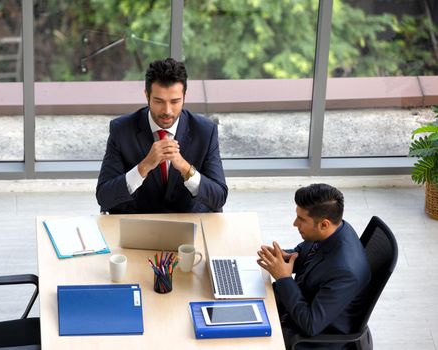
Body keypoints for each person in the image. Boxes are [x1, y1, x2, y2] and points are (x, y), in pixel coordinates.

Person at [96, 58, 228, 213]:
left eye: (175, 101)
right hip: (138, 228)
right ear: (147, 96)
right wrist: (143, 167)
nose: (167, 110)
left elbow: (219, 197)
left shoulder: (205, 131)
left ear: (184, 96)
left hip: (191, 227)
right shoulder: (121, 130)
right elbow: (104, 197)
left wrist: (186, 169)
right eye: (159, 101)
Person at [257, 184, 371, 350]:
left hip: (309, 338)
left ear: (324, 224)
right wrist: (284, 257)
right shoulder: (335, 228)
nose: (295, 223)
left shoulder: (345, 271)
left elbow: (310, 324)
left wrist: (284, 278)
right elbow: (306, 251)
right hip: (295, 306)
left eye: (302, 220)